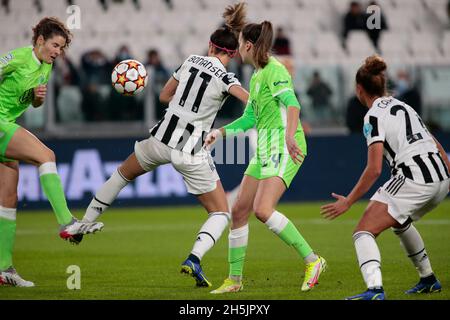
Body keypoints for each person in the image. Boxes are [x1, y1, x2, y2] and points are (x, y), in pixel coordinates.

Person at [82, 3, 249, 288]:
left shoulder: (190, 60)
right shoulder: (227, 77)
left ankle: (83, 223)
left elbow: (163, 96)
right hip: (191, 150)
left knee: (123, 174)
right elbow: (247, 100)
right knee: (221, 213)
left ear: (210, 46)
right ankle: (194, 258)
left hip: (160, 139)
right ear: (232, 56)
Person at [206, 20, 327, 294]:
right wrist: (220, 133)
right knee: (238, 211)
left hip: (284, 146)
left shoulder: (275, 70)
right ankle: (234, 281)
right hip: (265, 148)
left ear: (248, 46)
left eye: (240, 46)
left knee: (262, 210)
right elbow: (250, 117)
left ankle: (313, 260)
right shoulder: (257, 75)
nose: (238, 51)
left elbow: (293, 105)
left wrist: (289, 134)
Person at [321, 55, 450, 300]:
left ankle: (374, 290)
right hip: (441, 176)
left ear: (359, 90)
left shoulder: (372, 117)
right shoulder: (405, 107)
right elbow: (433, 141)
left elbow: (374, 169)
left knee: (363, 232)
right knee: (400, 222)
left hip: (415, 177)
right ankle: (428, 279)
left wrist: (348, 201)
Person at [0, 17, 103, 287]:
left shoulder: (46, 66)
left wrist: (37, 99)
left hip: (7, 123)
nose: (58, 51)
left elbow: (32, 103)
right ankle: (66, 222)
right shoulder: (18, 58)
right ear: (40, 40)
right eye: (55, 45)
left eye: (62, 48)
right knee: (47, 156)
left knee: (8, 200)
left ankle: (4, 269)